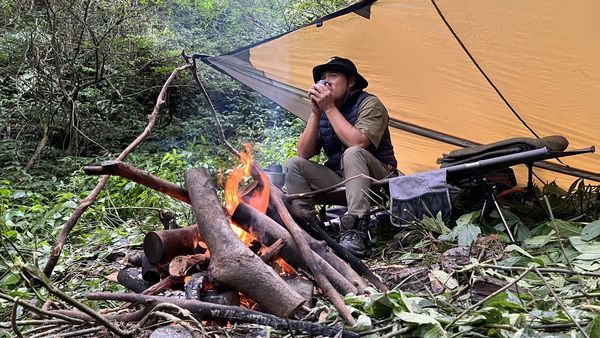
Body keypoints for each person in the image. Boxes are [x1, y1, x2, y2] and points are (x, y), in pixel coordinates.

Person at [284, 57, 398, 257]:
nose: (326, 82)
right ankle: (310, 230)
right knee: (294, 164)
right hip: (342, 181)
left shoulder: (369, 103)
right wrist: (316, 113)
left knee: (352, 153)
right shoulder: (326, 111)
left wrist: (329, 108)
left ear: (351, 82)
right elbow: (304, 152)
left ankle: (355, 229)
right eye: (324, 78)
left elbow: (359, 142)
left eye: (333, 76)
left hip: (378, 182)